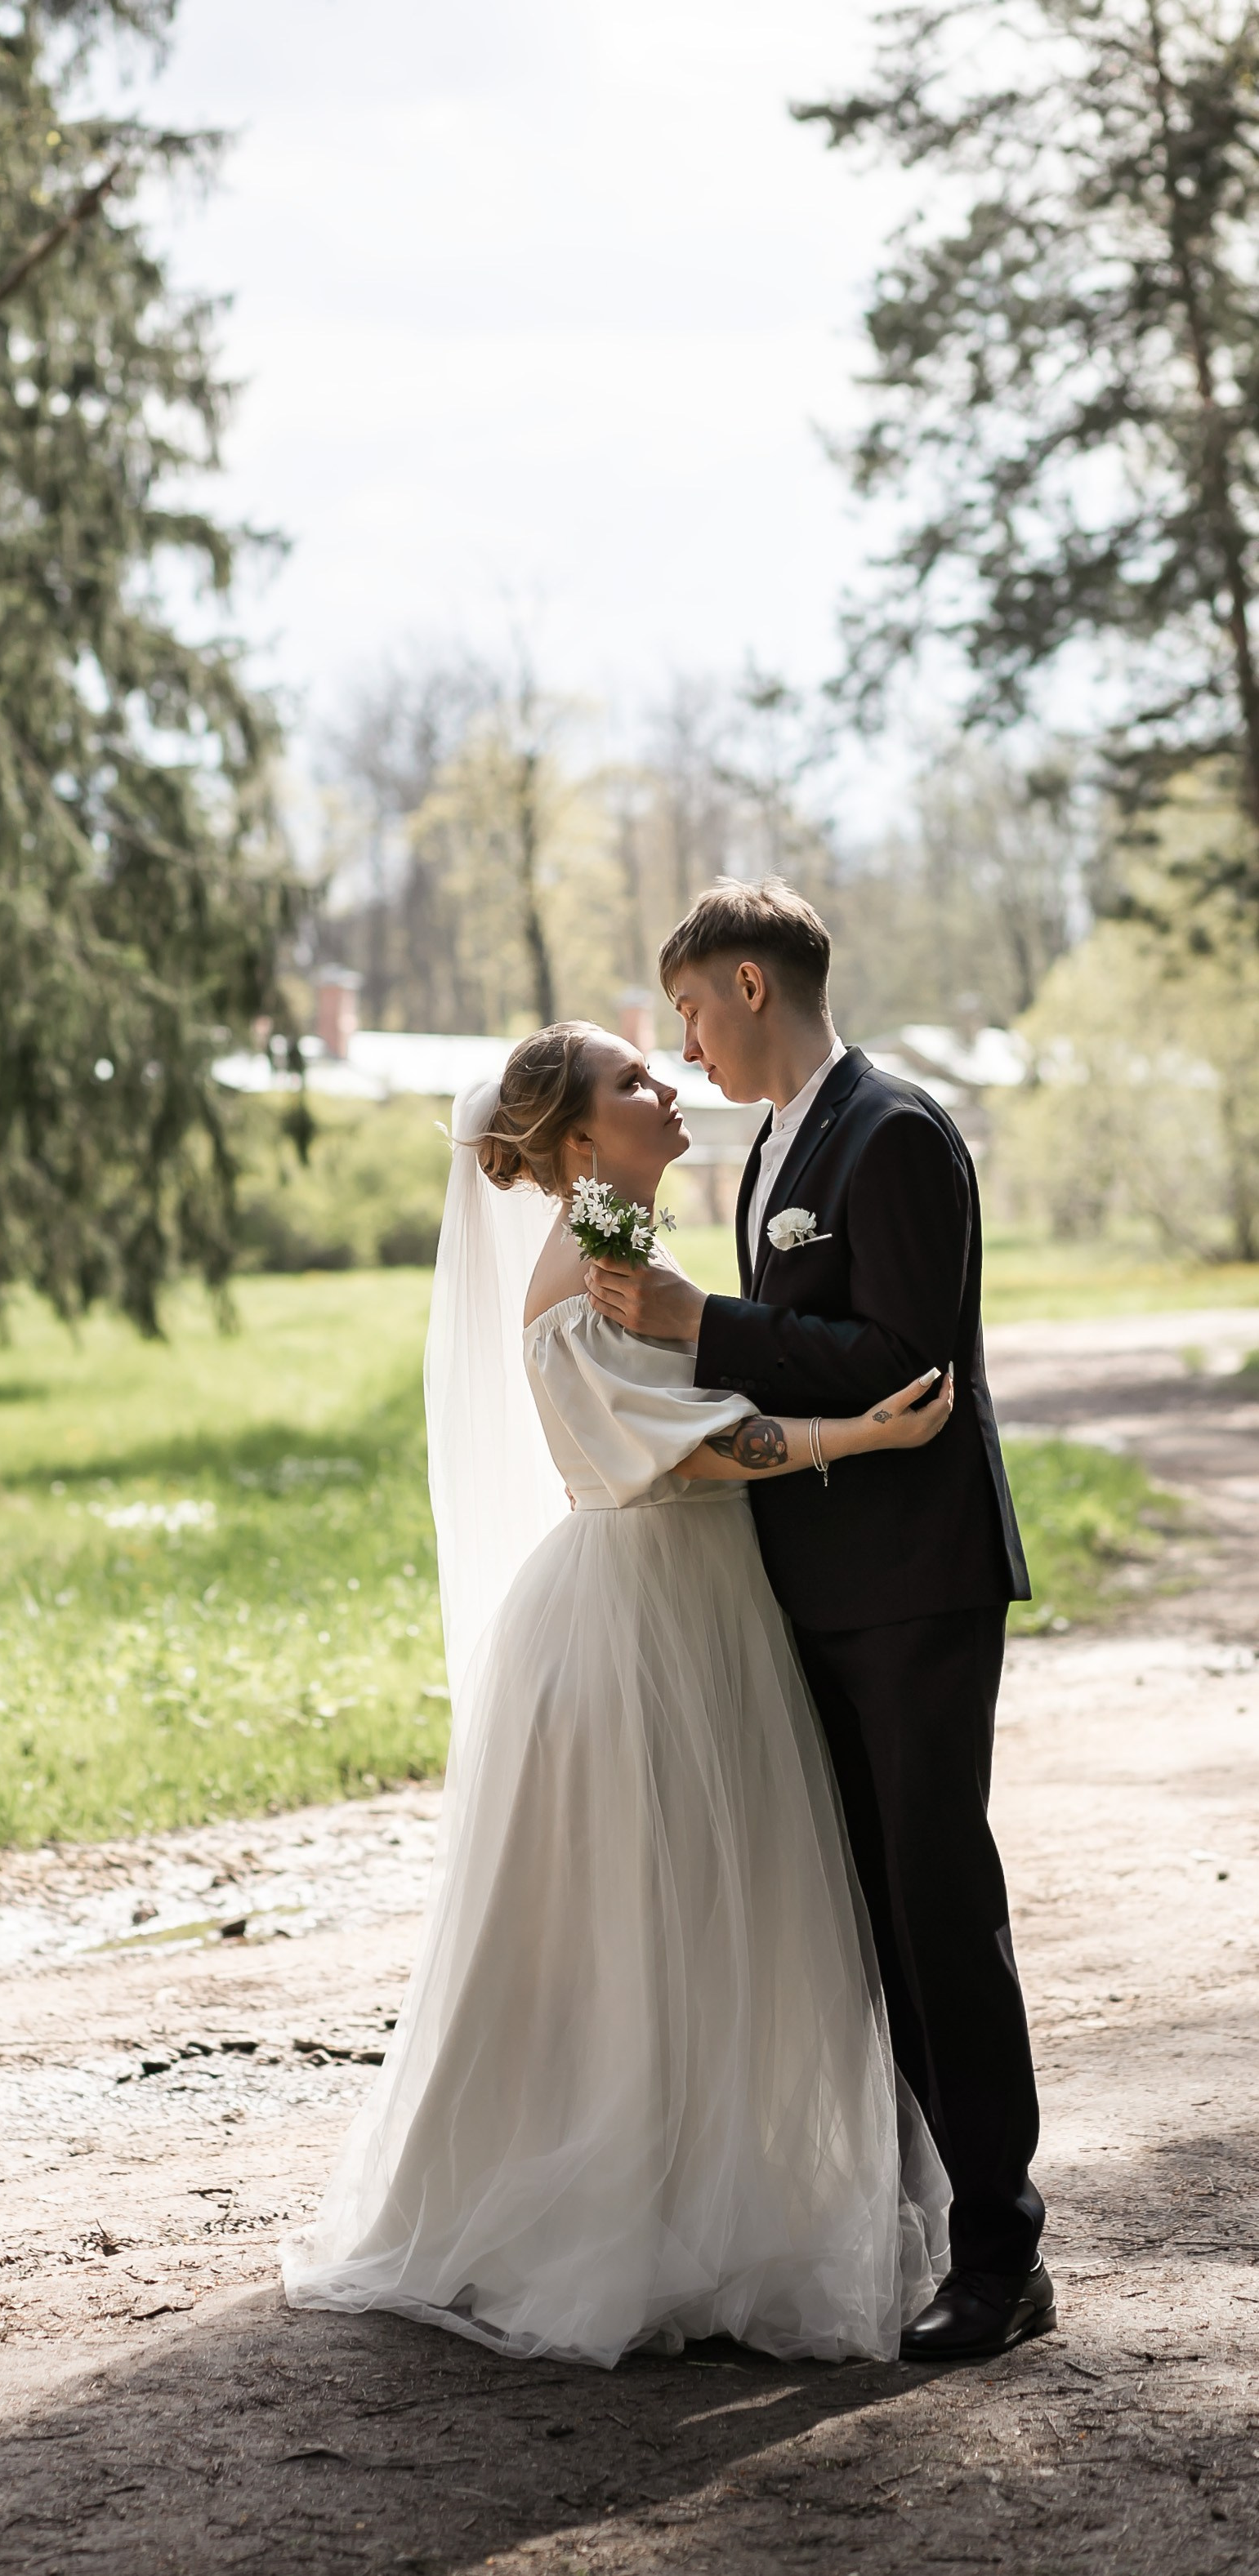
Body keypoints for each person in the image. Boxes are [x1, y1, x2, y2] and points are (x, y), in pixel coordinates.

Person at [282, 1023, 956, 2368]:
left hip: (704, 1612)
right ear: (585, 1141)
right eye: (637, 1083)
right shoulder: (580, 1275)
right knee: (634, 1926)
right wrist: (863, 1433)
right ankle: (602, 2227)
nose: (671, 1088)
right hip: (629, 1621)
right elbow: (681, 1459)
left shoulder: (631, 1244)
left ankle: (708, 2210)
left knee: (714, 1916)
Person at [584, 876, 1050, 2365]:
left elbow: (909, 1365)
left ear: (749, 985)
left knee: (936, 1907)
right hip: (816, 1588)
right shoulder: (774, 1149)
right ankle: (922, 2225)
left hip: (916, 1586)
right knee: (867, 1923)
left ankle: (1003, 2250)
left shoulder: (894, 1131)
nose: (687, 1049)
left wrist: (698, 1323)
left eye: (692, 1012)